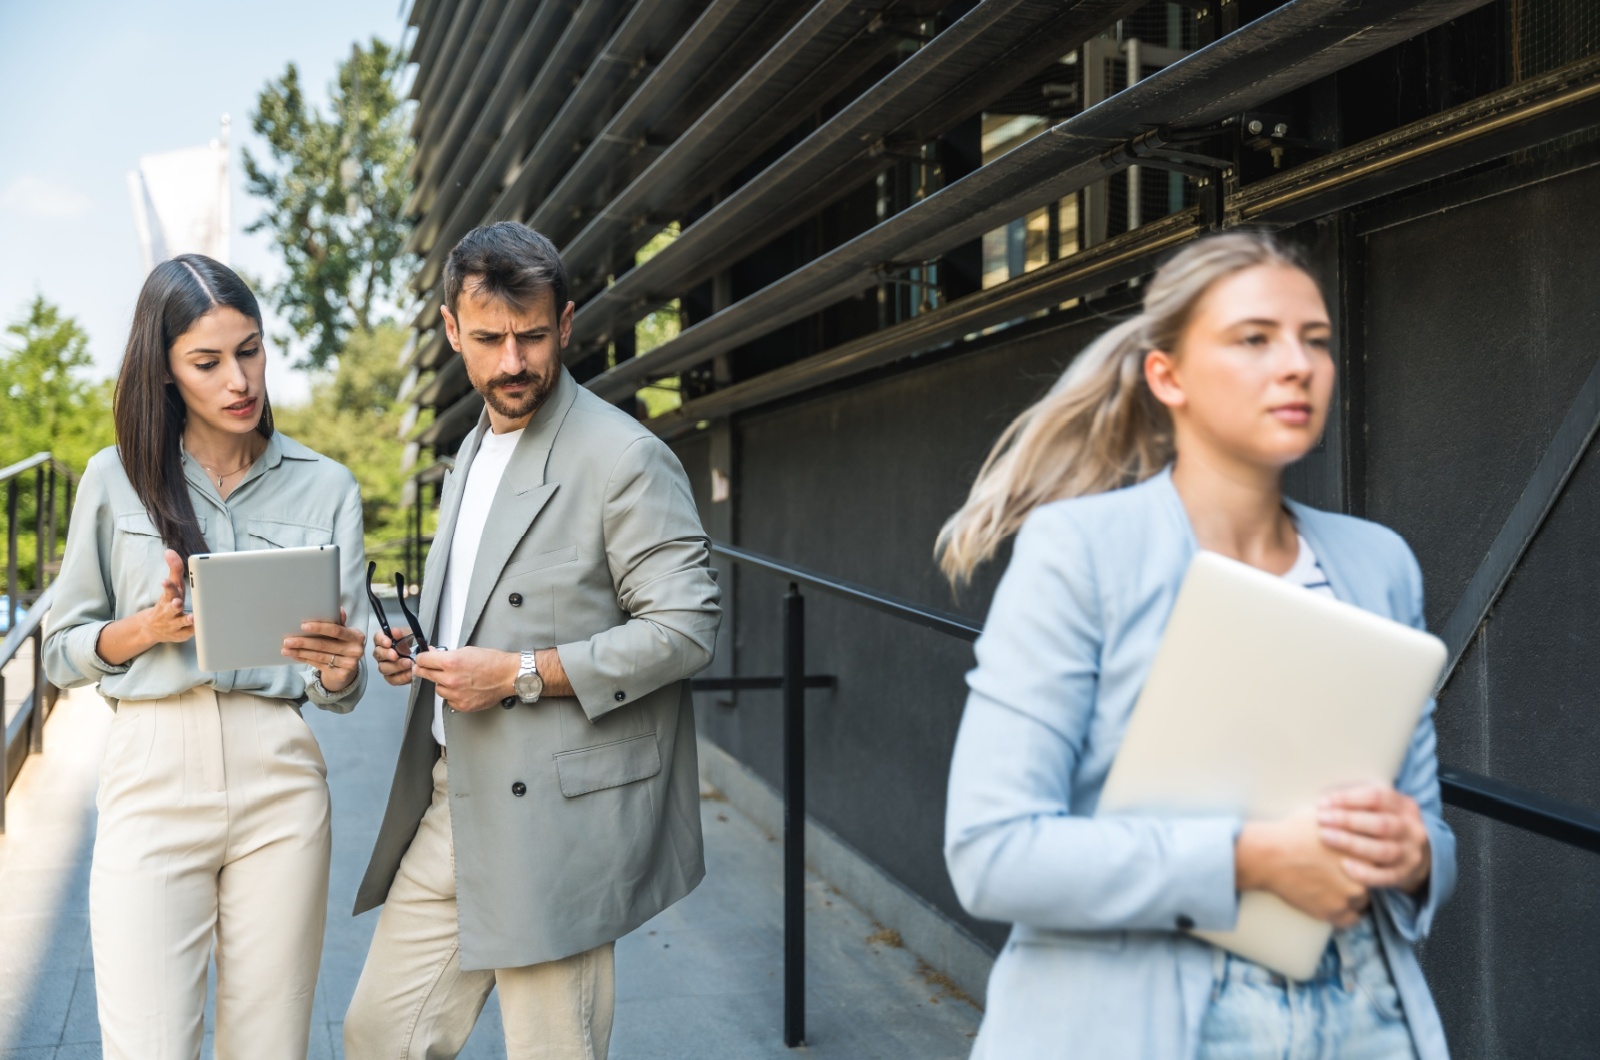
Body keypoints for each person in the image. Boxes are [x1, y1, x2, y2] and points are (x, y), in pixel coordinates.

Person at [936, 232, 1456, 1059]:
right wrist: (1250, 860)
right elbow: (992, 853)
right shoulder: (1084, 551)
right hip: (1142, 1020)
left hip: (1366, 1012)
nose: (1298, 365)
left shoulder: (1380, 562)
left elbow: (1426, 822)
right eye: (1254, 338)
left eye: (1315, 340)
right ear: (1166, 376)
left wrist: (1415, 851)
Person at [344, 221, 720, 1060]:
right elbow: (491, 613)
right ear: (451, 332)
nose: (513, 362)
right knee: (378, 1037)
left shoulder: (625, 456)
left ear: (567, 324)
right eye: (488, 339)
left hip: (558, 823)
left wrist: (515, 674)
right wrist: (422, 651)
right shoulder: (470, 454)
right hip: (455, 800)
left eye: (532, 336)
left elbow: (687, 627)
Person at [42, 254, 370, 1060]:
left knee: (271, 1044)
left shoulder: (327, 487)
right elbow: (59, 651)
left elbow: (343, 680)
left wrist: (339, 668)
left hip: (280, 777)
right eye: (208, 360)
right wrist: (146, 630)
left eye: (250, 350)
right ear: (163, 370)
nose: (239, 379)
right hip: (151, 773)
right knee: (149, 1046)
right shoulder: (112, 481)